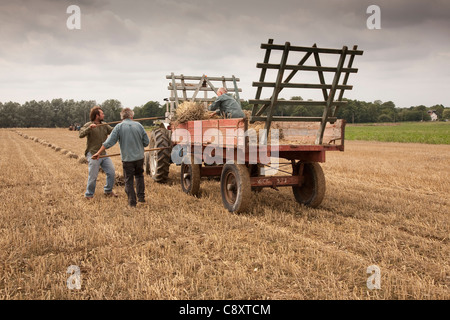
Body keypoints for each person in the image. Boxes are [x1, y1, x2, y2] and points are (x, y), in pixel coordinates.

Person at [92, 108, 149, 208]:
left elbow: (109, 142)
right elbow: (146, 142)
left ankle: (132, 202)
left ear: (122, 117)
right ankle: (141, 198)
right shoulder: (139, 125)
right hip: (139, 157)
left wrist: (98, 153)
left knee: (129, 180)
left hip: (127, 159)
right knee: (139, 176)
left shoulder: (119, 127)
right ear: (131, 116)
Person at [79, 106, 117, 199]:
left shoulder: (104, 125)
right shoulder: (88, 124)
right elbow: (80, 134)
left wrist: (121, 126)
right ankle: (89, 194)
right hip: (93, 154)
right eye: (102, 113)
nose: (104, 115)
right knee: (93, 176)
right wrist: (89, 128)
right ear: (97, 115)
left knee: (111, 172)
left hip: (103, 154)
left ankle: (108, 191)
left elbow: (113, 131)